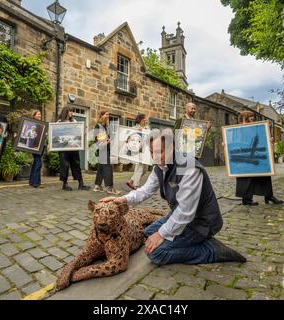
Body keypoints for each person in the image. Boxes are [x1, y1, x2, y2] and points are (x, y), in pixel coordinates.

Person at [101, 129, 246, 266]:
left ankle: (212, 251)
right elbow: (146, 190)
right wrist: (123, 199)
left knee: (157, 253)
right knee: (147, 234)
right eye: (151, 152)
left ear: (172, 147)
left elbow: (185, 211)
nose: (155, 156)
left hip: (201, 223)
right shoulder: (160, 165)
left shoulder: (189, 168)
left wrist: (162, 234)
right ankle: (193, 242)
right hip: (181, 216)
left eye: (159, 152)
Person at [235, 111, 284, 206]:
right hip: (244, 155)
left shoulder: (256, 128)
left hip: (256, 154)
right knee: (245, 176)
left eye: (253, 116)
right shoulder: (236, 129)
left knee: (264, 173)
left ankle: (269, 196)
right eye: (250, 117)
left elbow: (261, 139)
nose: (252, 118)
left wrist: (269, 140)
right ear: (245, 118)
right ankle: (246, 199)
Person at [57, 106, 90, 191]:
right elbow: (57, 134)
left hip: (73, 146)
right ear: (66, 112)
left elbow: (78, 133)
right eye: (70, 111)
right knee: (65, 165)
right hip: (63, 148)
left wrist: (84, 132)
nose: (72, 113)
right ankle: (65, 184)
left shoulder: (74, 121)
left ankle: (81, 184)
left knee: (76, 164)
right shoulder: (59, 122)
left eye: (72, 111)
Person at [93, 111, 121, 195]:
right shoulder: (98, 126)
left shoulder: (106, 126)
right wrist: (107, 142)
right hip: (103, 149)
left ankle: (97, 186)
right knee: (108, 168)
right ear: (101, 116)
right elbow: (98, 140)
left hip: (106, 149)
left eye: (108, 115)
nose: (108, 116)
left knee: (101, 168)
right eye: (106, 114)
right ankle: (109, 187)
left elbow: (108, 137)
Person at [126, 114, 150, 190]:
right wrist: (137, 132)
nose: (145, 121)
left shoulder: (147, 127)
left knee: (145, 169)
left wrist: (146, 129)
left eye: (145, 120)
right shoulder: (135, 128)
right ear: (139, 120)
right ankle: (136, 186)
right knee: (139, 168)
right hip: (137, 150)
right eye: (144, 120)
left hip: (145, 150)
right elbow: (129, 136)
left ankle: (131, 180)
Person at [28, 110, 44, 188]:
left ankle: (32, 181)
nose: (39, 115)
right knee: (38, 163)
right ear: (34, 116)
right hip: (35, 146)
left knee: (35, 163)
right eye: (38, 114)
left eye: (40, 114)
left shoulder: (41, 124)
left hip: (41, 146)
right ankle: (36, 183)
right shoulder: (34, 124)